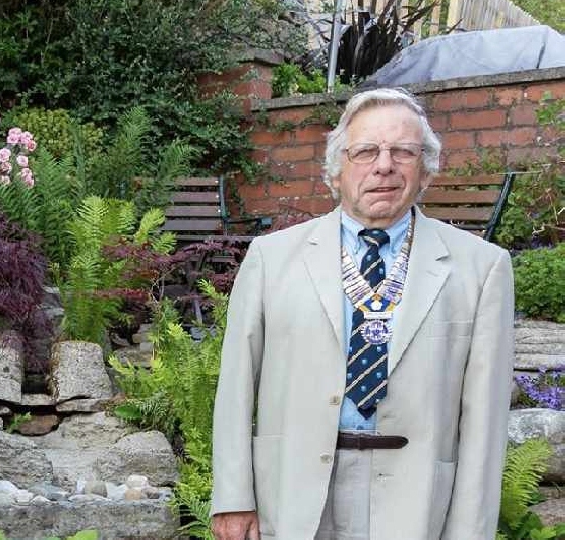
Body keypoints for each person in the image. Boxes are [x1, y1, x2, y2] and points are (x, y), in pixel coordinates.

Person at [210, 87, 514, 540]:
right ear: (337, 168)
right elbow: (235, 386)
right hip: (292, 491)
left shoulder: (482, 268)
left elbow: (485, 422)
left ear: (425, 168)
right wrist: (233, 498)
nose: (384, 165)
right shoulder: (270, 259)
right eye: (366, 150)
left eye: (403, 152)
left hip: (418, 501)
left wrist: (470, 531)